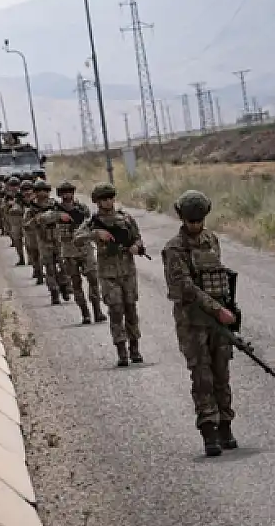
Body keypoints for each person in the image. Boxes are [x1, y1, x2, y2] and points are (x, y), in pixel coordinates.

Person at [162, 189, 240, 457]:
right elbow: (185, 288)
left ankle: (226, 425)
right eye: (190, 221)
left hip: (217, 321)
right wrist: (218, 311)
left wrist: (228, 308)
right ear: (182, 218)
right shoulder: (174, 249)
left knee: (221, 374)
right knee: (202, 376)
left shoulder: (211, 240)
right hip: (193, 322)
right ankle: (209, 430)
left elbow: (217, 276)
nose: (195, 225)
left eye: (199, 220)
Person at [76, 182, 148, 367]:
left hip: (127, 272)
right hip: (108, 274)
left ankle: (135, 348)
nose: (108, 202)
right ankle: (121, 351)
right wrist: (96, 234)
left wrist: (136, 247)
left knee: (131, 310)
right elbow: (77, 238)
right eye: (104, 199)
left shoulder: (126, 218)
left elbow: (138, 238)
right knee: (116, 311)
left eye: (110, 198)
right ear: (97, 202)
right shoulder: (93, 222)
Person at [47, 181, 104, 325]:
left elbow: (92, 223)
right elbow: (43, 218)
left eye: (70, 192)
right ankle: (85, 313)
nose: (67, 195)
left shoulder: (82, 208)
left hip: (85, 249)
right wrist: (59, 216)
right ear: (60, 195)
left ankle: (97, 310)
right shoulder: (55, 210)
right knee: (76, 283)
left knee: (93, 279)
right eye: (64, 193)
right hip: (68, 251)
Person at [29, 180, 67, 304]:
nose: (42, 193)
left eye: (45, 191)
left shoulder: (55, 205)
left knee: (63, 265)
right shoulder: (32, 208)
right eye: (39, 191)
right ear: (35, 193)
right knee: (49, 268)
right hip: (44, 242)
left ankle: (64, 285)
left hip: (58, 240)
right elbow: (27, 224)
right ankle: (54, 292)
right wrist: (38, 220)